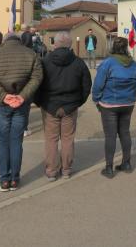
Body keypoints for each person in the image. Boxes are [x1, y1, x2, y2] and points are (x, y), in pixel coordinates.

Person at [0, 32, 43, 192]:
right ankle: (15, 178)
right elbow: (37, 77)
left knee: (3, 141)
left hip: (1, 104)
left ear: (5, 41)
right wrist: (22, 96)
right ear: (19, 41)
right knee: (16, 141)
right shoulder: (31, 54)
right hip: (21, 105)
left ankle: (4, 179)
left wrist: (3, 96)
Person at [35, 32, 92, 181]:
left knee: (51, 139)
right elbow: (86, 86)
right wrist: (78, 102)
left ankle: (52, 171)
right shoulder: (79, 62)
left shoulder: (44, 61)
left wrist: (39, 102)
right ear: (70, 45)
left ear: (55, 44)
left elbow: (36, 84)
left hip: (50, 105)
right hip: (70, 105)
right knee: (67, 138)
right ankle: (66, 170)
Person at [92, 37, 136, 178]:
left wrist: (96, 100)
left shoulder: (107, 63)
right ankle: (126, 163)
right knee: (125, 133)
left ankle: (109, 168)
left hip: (109, 105)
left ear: (113, 47)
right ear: (126, 48)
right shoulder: (133, 64)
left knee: (110, 136)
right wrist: (133, 95)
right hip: (128, 104)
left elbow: (98, 85)